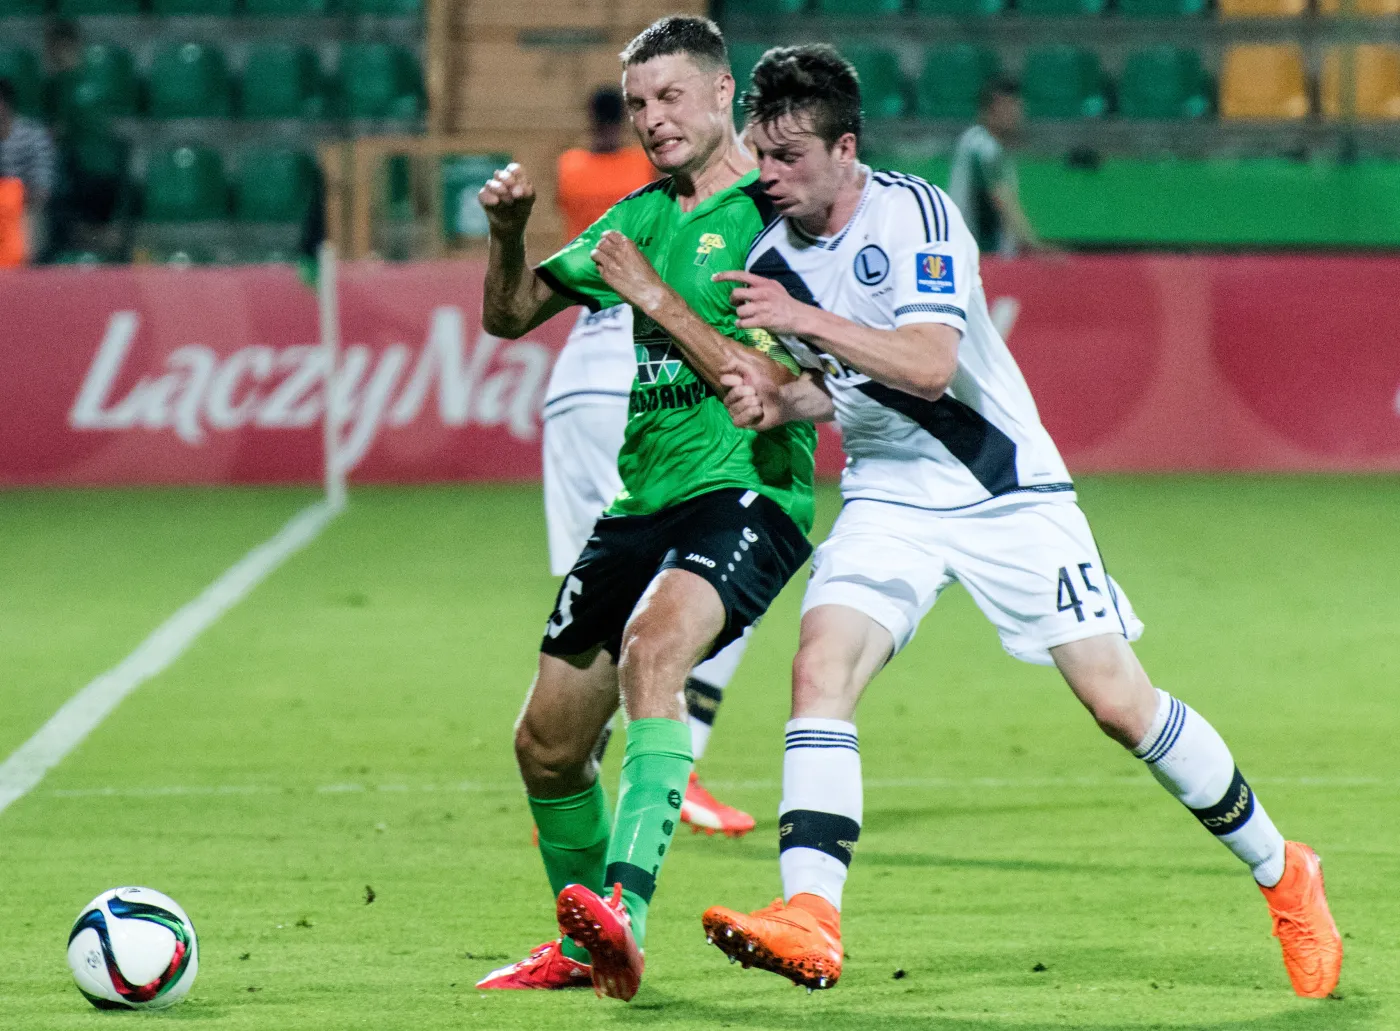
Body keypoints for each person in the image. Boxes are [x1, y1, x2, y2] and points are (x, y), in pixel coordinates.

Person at [700, 44, 1343, 1001]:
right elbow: (855, 391)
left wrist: (804, 319)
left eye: (789, 156)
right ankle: (811, 915)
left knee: (1121, 704)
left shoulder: (913, 212)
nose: (769, 174)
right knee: (819, 668)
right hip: (888, 494)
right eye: (761, 153)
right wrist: (784, 400)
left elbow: (923, 364)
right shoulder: (767, 250)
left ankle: (1284, 872)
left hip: (1006, 492)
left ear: (845, 146)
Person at [473, 16, 817, 1002]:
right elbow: (509, 314)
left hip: (750, 488)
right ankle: (583, 947)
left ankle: (620, 909)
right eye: (635, 104)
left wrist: (654, 296)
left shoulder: (782, 216)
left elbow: (772, 383)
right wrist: (506, 234)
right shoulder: (638, 213)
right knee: (545, 741)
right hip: (641, 500)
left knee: (652, 651)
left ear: (722, 95)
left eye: (669, 97)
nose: (650, 119)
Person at [545, 84, 757, 839]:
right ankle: (680, 764)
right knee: (719, 579)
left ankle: (567, 771)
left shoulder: (574, 173)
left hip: (571, 384)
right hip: (638, 382)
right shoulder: (686, 199)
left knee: (595, 597)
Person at [948, 78, 1053, 258]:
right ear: (988, 111)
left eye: (1018, 107)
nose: (1016, 114)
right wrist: (1036, 246)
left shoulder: (985, 144)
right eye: (1008, 108)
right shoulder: (983, 146)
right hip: (981, 254)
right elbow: (1003, 198)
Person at [0, 78, 56, 265]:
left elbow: (43, 186)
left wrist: (14, 199)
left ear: (5, 104)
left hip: (22, 209)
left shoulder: (33, 135)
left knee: (29, 215)